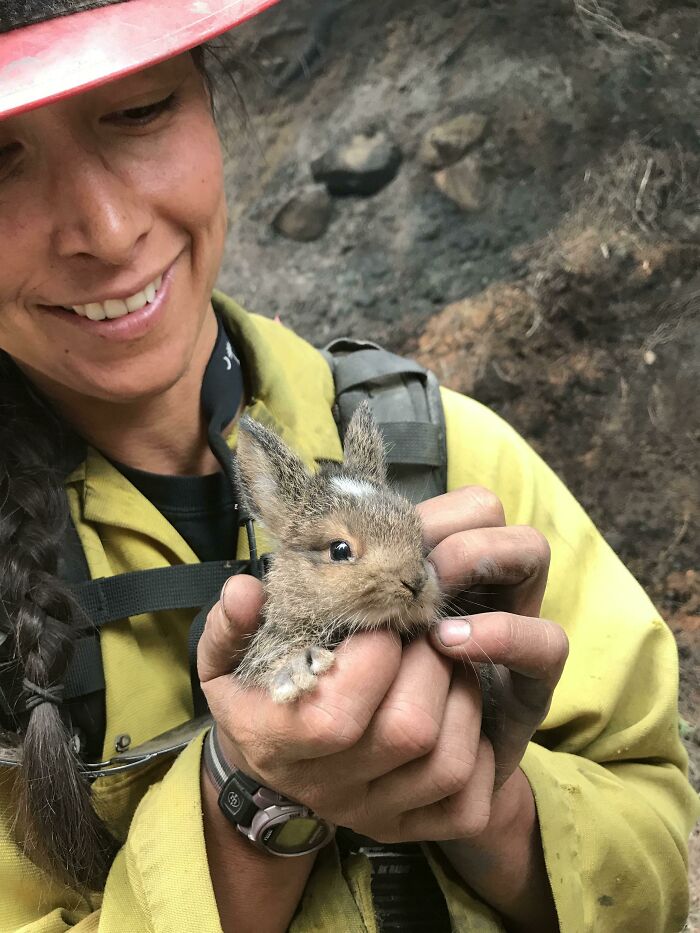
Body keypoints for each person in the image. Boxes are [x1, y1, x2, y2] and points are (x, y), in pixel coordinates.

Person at [0, 1, 697, 931]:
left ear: (211, 104)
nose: (109, 226)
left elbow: (654, 843)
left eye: (140, 111)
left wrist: (501, 809)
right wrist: (248, 809)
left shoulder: (452, 452)